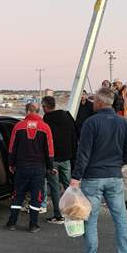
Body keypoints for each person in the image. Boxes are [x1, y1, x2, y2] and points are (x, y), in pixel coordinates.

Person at [70, 87, 127, 253]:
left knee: (90, 220)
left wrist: (76, 177)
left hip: (93, 178)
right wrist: (119, 163)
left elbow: (83, 153)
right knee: (120, 219)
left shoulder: (91, 123)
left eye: (94, 101)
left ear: (100, 102)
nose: (92, 104)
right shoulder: (123, 123)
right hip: (114, 177)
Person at [6, 102, 55, 233]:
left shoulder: (18, 126)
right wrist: (51, 166)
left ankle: (12, 223)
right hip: (38, 168)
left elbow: (12, 148)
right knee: (36, 196)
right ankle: (33, 225)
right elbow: (49, 150)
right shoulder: (45, 127)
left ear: (27, 111)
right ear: (39, 112)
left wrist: (11, 164)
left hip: (21, 167)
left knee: (18, 195)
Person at [42, 96, 78, 224]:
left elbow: (44, 142)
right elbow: (75, 136)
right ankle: (73, 211)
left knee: (55, 187)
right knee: (69, 185)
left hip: (53, 160)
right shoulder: (67, 116)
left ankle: (59, 216)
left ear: (45, 107)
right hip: (67, 157)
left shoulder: (46, 121)